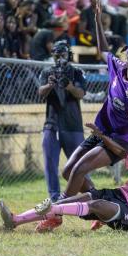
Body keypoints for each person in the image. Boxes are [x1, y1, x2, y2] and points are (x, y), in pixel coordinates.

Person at [34, 0, 128, 231]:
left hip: (119, 140)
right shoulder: (118, 68)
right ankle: (97, 205)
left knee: (80, 170)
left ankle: (56, 214)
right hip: (100, 131)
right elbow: (103, 49)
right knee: (68, 171)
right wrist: (98, 21)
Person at [0, 138, 128, 232]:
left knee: (95, 205)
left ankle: (54, 208)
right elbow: (123, 153)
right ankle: (15, 221)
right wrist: (103, 137)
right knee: (85, 197)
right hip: (116, 195)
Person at [37, 40, 88, 202]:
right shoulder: (47, 72)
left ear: (69, 55)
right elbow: (40, 92)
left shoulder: (77, 72)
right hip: (51, 125)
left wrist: (70, 87)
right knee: (50, 164)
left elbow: (81, 94)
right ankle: (54, 199)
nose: (60, 58)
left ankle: (88, 195)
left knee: (80, 166)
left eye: (63, 55)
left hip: (73, 126)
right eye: (57, 55)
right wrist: (50, 85)